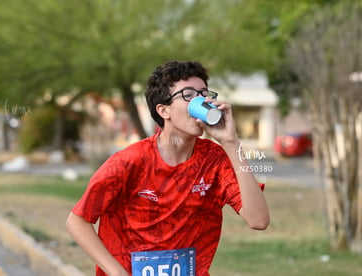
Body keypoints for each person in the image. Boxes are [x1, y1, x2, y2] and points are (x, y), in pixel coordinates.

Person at [66, 60, 270, 276]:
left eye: (204, 93)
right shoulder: (130, 161)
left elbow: (258, 220)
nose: (201, 101)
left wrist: (231, 143)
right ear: (164, 111)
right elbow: (77, 221)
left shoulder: (214, 159)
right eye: (189, 95)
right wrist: (117, 273)